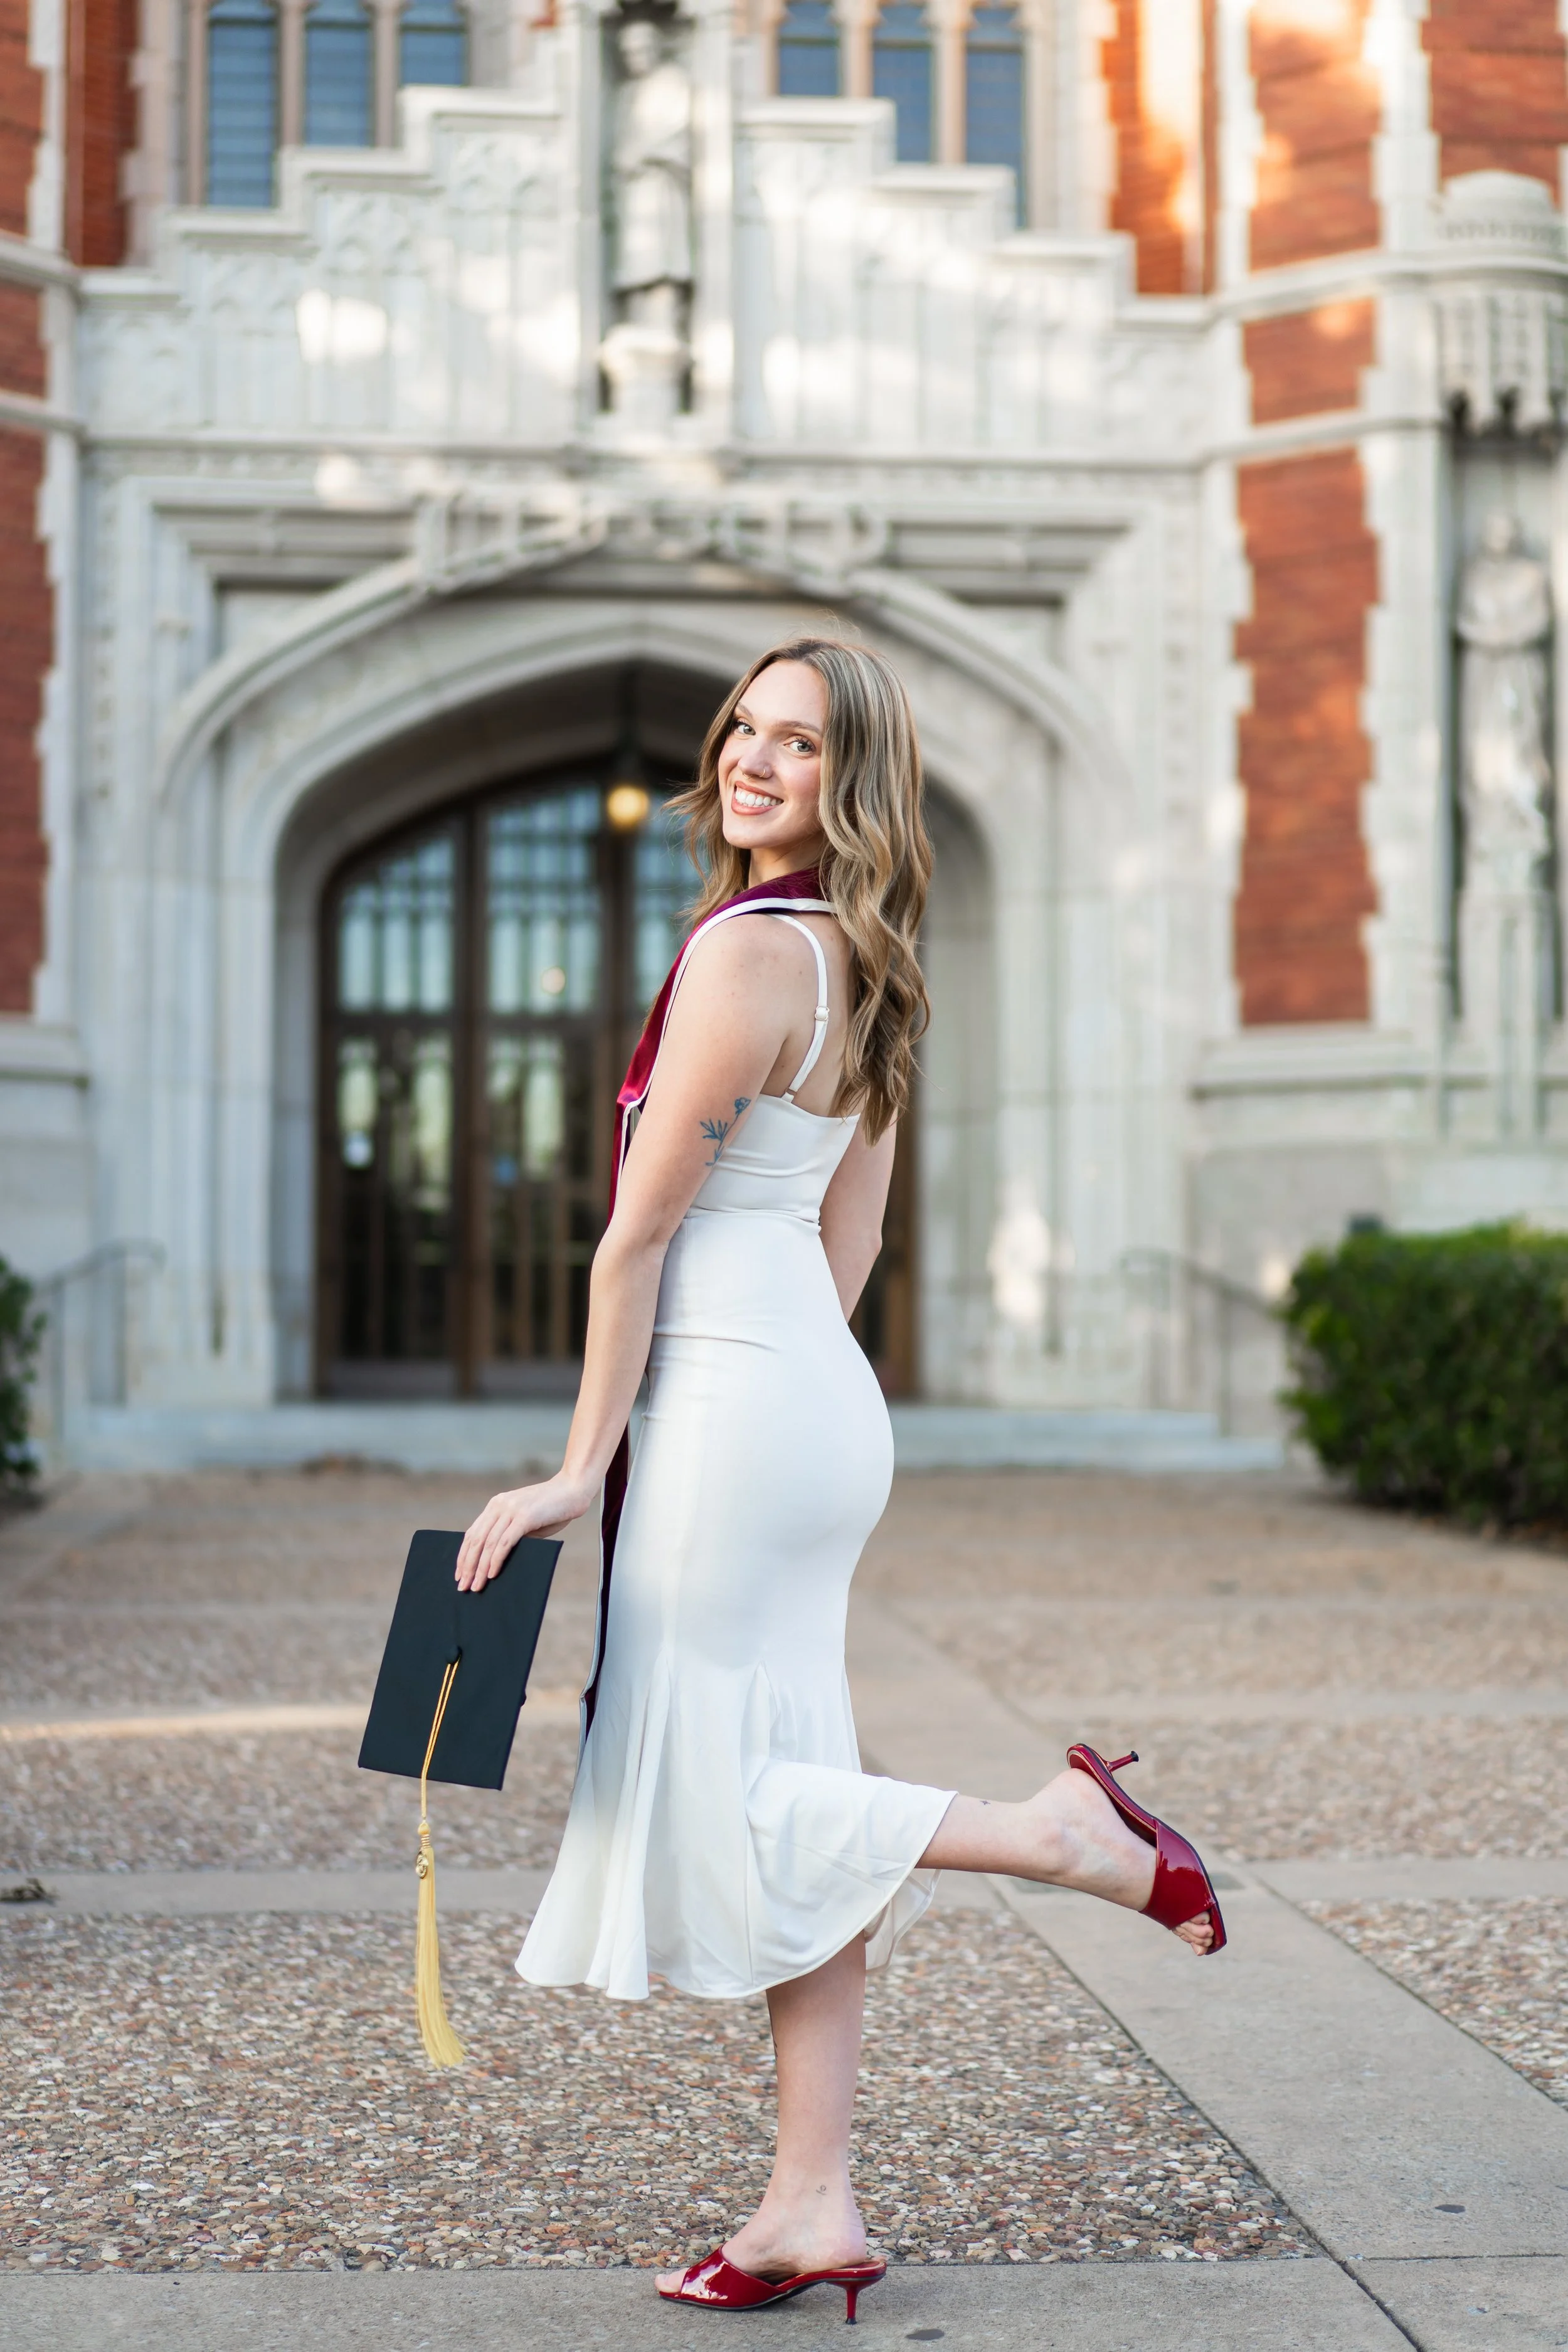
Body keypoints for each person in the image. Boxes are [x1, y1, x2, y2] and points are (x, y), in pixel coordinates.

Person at [455, 637, 1224, 2323]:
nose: (750, 759)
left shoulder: (742, 956)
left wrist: (582, 1467)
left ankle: (1065, 1831)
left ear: (846, 781)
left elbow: (635, 1237)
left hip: (735, 1409)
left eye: (796, 744)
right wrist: (796, 1382)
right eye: (744, 727)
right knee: (790, 1772)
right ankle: (810, 2196)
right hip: (806, 1396)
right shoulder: (867, 958)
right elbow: (849, 1228)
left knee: (728, 1798)